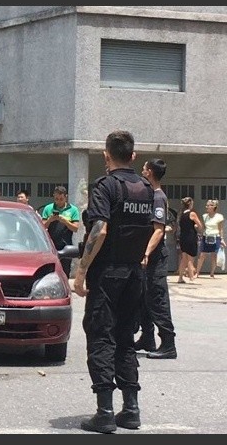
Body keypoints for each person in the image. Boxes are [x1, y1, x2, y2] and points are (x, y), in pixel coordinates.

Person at [72, 130, 155, 433]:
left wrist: (80, 272)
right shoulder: (147, 188)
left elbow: (100, 230)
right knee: (125, 339)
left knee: (101, 338)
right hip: (135, 275)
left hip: (108, 275)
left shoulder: (105, 186)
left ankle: (105, 412)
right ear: (133, 156)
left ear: (106, 155)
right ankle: (131, 410)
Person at [134, 158, 177, 359]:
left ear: (150, 171)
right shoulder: (151, 195)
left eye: (144, 167)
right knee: (144, 297)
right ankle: (147, 337)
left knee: (157, 298)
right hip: (147, 259)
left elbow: (158, 231)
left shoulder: (158, 197)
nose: (142, 170)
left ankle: (168, 344)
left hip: (155, 258)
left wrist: (146, 253)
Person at [40, 186, 80, 277]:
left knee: (65, 272)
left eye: (61, 199)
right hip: (51, 246)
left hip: (66, 246)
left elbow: (75, 228)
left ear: (66, 197)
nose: (58, 201)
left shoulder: (73, 209)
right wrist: (50, 220)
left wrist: (65, 221)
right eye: (56, 199)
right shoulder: (48, 208)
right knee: (50, 272)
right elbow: (42, 227)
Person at [194, 199, 226, 278]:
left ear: (213, 206)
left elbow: (221, 229)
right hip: (206, 236)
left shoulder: (219, 217)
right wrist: (198, 227)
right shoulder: (205, 216)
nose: (206, 207)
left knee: (214, 255)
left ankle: (212, 273)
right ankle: (197, 273)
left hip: (215, 236)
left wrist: (222, 239)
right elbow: (203, 227)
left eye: (208, 205)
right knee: (202, 255)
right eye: (206, 205)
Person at [176, 197, 203, 283]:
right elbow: (200, 225)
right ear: (190, 204)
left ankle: (180, 277)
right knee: (191, 258)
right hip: (191, 237)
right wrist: (196, 227)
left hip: (183, 237)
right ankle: (191, 277)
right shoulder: (192, 214)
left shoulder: (181, 214)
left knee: (184, 258)